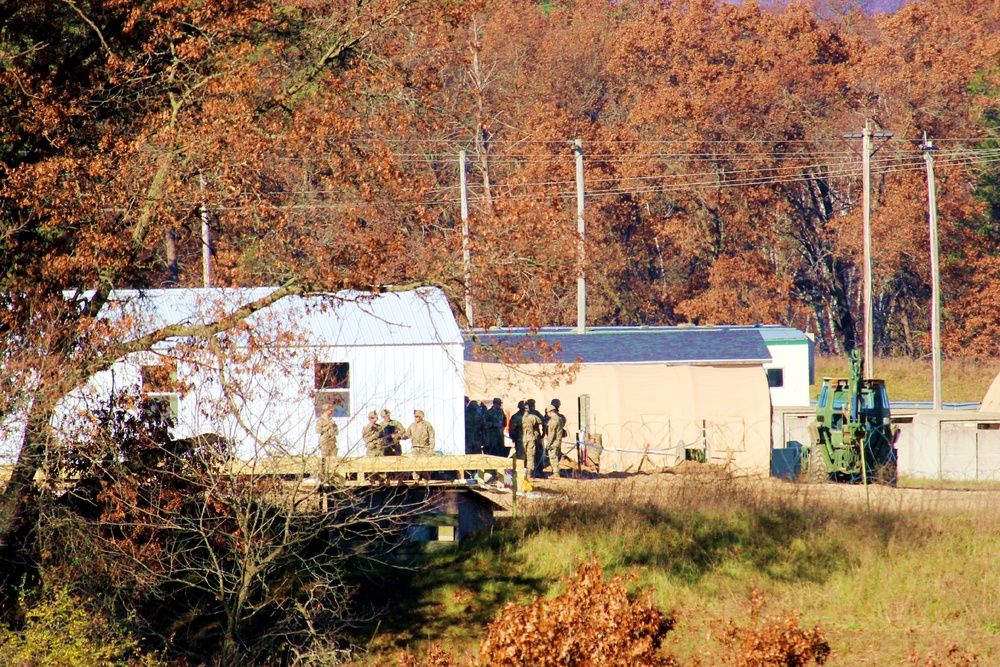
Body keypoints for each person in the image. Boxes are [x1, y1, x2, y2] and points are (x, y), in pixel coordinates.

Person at [519, 400, 543, 478]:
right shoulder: (534, 417)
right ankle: (529, 473)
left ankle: (521, 472)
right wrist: (542, 433)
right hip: (531, 438)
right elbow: (543, 423)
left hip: (522, 438)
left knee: (522, 456)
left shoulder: (518, 417)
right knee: (531, 456)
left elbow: (512, 428)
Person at [543, 404, 564, 477]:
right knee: (555, 456)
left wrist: (548, 443)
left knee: (553, 457)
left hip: (554, 442)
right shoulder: (559, 419)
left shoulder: (553, 421)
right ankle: (556, 471)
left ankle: (556, 473)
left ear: (550, 411)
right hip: (558, 441)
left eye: (547, 412)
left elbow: (551, 433)